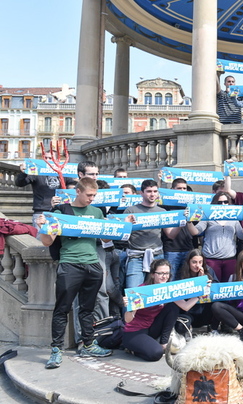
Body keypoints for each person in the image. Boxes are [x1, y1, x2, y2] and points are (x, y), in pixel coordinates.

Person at [37, 177, 113, 369]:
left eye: (94, 195)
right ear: (78, 191)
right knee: (62, 308)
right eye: (89, 195)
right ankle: (56, 350)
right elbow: (47, 242)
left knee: (88, 309)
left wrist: (121, 225)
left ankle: (88, 343)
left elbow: (105, 240)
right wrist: (42, 227)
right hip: (70, 264)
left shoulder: (97, 212)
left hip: (93, 264)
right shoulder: (61, 211)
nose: (92, 199)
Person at [122, 259, 201, 361]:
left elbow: (185, 306)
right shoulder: (142, 290)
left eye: (167, 273)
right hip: (135, 331)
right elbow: (128, 320)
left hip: (152, 327)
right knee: (156, 354)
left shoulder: (168, 289)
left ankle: (164, 342)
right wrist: (129, 308)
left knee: (172, 306)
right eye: (160, 273)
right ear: (152, 275)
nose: (164, 276)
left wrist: (200, 295)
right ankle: (132, 349)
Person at [122, 179, 183, 289]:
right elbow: (123, 237)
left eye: (155, 191)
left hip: (157, 256)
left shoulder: (162, 211)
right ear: (141, 193)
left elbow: (170, 235)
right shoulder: (130, 210)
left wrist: (181, 223)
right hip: (136, 257)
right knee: (134, 293)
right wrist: (127, 225)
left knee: (157, 292)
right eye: (149, 191)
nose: (152, 194)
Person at [185, 191, 243, 284]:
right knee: (212, 286)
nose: (223, 204)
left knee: (228, 288)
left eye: (226, 202)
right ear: (214, 204)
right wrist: (189, 222)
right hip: (211, 259)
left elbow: (241, 236)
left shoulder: (234, 218)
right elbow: (195, 231)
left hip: (230, 259)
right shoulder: (208, 217)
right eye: (219, 202)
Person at [16, 153, 73, 229]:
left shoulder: (63, 172)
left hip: (60, 211)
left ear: (56, 160)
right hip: (41, 211)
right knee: (40, 239)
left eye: (50, 158)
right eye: (45, 158)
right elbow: (20, 183)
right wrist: (23, 173)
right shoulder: (37, 172)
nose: (47, 160)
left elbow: (72, 185)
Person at [162, 178, 197, 279]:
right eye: (179, 188)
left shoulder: (191, 206)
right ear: (172, 189)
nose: (182, 191)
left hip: (188, 248)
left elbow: (196, 229)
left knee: (187, 279)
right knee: (170, 279)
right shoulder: (166, 206)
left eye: (184, 188)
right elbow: (169, 234)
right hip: (172, 250)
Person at [178, 249, 218, 329]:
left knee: (218, 305)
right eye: (194, 262)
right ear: (189, 262)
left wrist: (206, 281)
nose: (197, 265)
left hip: (205, 310)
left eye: (200, 262)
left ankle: (214, 328)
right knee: (181, 326)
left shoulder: (209, 271)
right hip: (188, 311)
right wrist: (199, 282)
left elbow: (217, 291)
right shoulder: (181, 274)